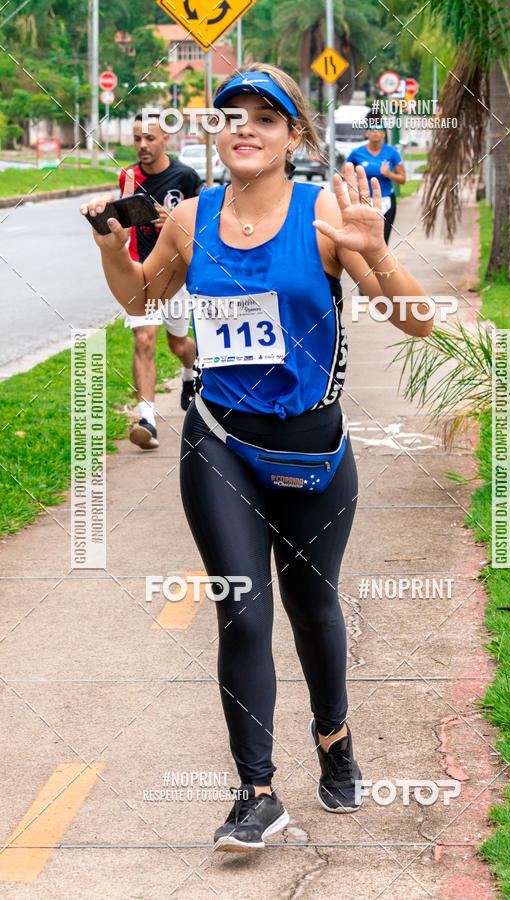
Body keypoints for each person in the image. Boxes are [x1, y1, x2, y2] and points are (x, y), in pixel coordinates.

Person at [80, 63, 431, 853]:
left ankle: (334, 738)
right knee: (241, 607)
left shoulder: (326, 211)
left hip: (312, 449)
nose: (244, 129)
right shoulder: (189, 218)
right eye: (229, 116)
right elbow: (140, 299)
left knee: (314, 606)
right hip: (220, 440)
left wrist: (376, 251)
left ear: (293, 135)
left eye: (265, 118)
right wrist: (110, 246)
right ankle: (257, 792)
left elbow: (417, 322)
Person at [119, 112, 202, 450]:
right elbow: (122, 225)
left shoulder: (186, 177)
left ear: (166, 138)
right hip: (139, 270)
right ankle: (147, 421)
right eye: (137, 138)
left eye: (149, 138)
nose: (142, 145)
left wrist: (176, 221)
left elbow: (205, 225)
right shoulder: (128, 176)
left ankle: (190, 375)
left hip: (175, 272)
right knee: (144, 339)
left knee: (179, 344)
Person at [345, 110, 406, 244]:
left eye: (379, 128)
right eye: (372, 128)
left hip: (386, 201)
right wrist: (355, 183)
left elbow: (402, 179)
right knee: (365, 240)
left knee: (382, 241)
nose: (375, 131)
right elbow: (345, 172)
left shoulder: (392, 152)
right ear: (367, 133)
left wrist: (389, 174)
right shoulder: (357, 153)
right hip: (364, 201)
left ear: (384, 133)